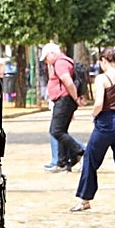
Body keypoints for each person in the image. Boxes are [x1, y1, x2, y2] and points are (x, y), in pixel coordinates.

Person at [71, 48, 115, 216]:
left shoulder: (102, 78)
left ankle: (85, 199)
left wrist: (93, 115)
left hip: (106, 123)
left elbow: (99, 103)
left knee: (90, 158)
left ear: (103, 60)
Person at [41, 43, 86, 172]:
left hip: (64, 100)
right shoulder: (64, 61)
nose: (45, 61)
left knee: (56, 131)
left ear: (52, 53)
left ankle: (81, 151)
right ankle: (62, 162)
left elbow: (68, 82)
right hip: (64, 100)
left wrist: (75, 98)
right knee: (61, 131)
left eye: (46, 58)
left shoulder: (60, 63)